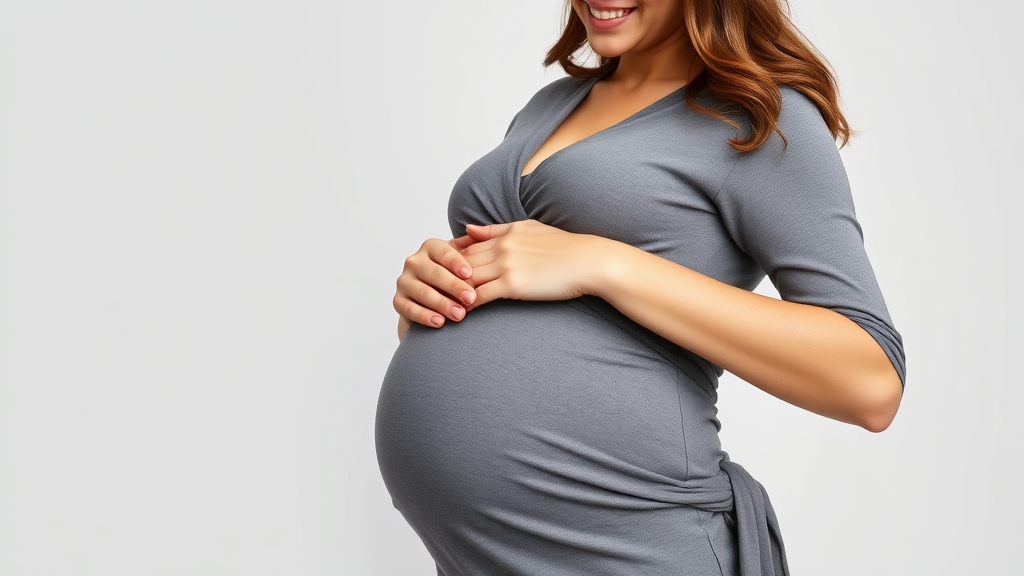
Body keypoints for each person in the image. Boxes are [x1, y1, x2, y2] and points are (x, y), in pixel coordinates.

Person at [375, 0, 906, 574]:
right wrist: (429, 295)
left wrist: (602, 264)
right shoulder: (548, 106)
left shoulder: (760, 116)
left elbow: (870, 380)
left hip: (638, 548)